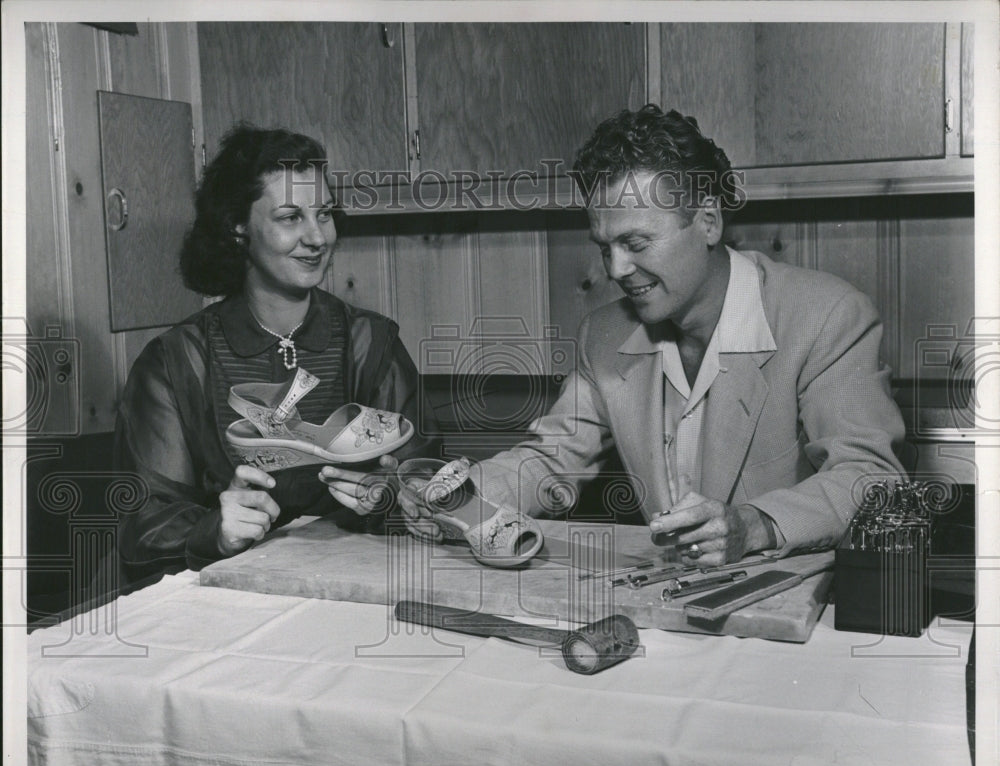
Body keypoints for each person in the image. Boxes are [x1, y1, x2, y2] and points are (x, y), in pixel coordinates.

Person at [402, 105, 906, 568]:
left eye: (636, 242)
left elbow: (870, 478)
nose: (617, 269)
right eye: (605, 247)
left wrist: (754, 525)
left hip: (790, 605)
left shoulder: (828, 316)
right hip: (668, 598)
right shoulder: (603, 334)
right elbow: (550, 461)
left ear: (707, 222)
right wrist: (456, 496)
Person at [115, 124, 439, 586]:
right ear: (238, 226)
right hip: (225, 606)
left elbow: (429, 478)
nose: (317, 238)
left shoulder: (373, 342)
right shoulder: (174, 362)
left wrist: (390, 498)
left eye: (324, 214)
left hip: (357, 589)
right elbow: (142, 524)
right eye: (291, 217)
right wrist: (214, 530)